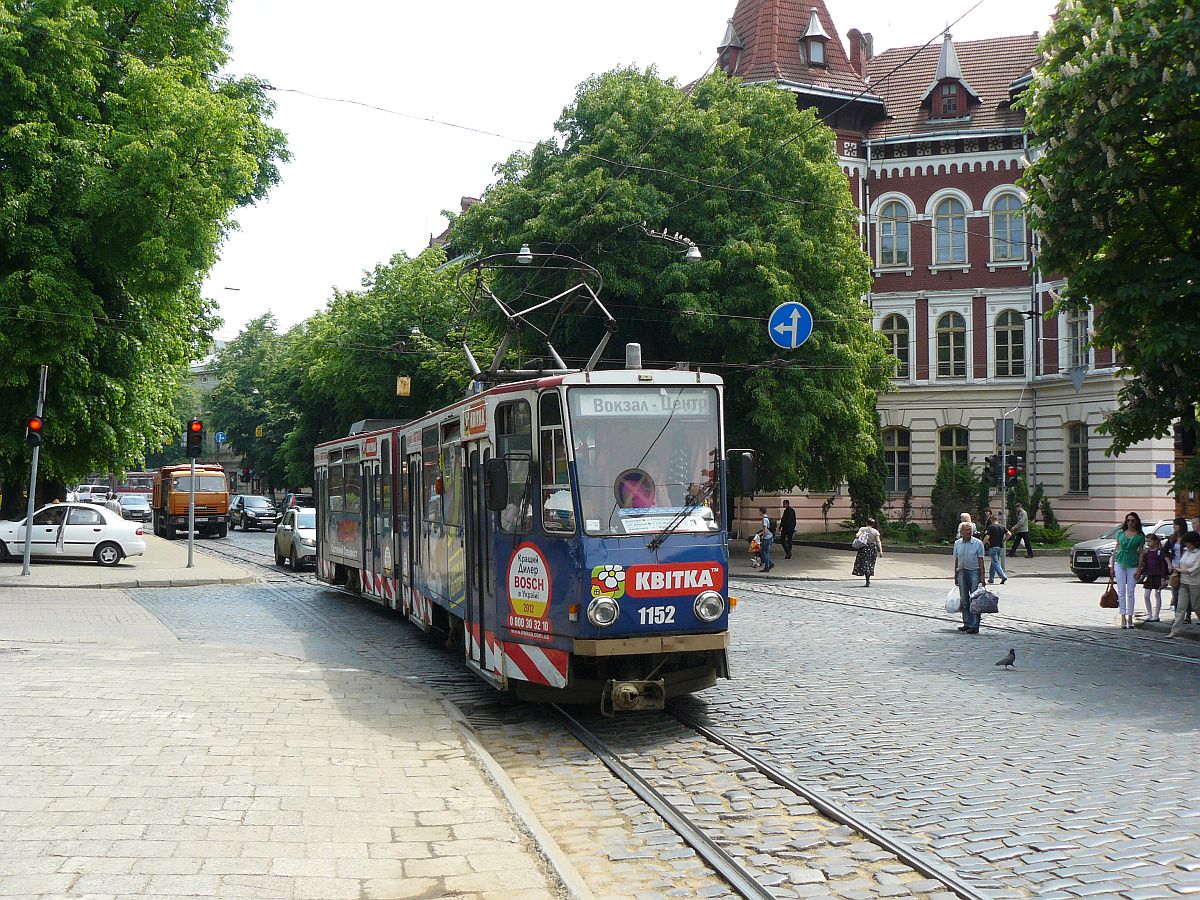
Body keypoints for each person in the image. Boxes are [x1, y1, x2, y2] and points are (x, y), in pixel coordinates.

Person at [1112, 511, 1146, 629]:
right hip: (1120, 561)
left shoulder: (1140, 536)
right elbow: (1116, 549)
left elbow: (1141, 552)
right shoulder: (1121, 533)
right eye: (1128, 520)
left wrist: (1139, 568)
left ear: (1136, 522)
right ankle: (1123, 616)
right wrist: (1112, 564)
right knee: (1121, 591)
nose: (1130, 522)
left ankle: (1130, 617)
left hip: (1133, 563)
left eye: (1132, 520)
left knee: (1130, 591)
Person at [952, 521, 987, 634]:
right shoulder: (957, 543)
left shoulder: (978, 543)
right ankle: (966, 622)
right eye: (966, 530)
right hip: (962, 571)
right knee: (964, 600)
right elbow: (957, 560)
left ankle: (974, 625)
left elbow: (981, 561)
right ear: (961, 532)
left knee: (974, 599)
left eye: (970, 530)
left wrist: (982, 577)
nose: (968, 532)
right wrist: (955, 575)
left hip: (974, 572)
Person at [1170, 531, 1200, 638]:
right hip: (1183, 582)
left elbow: (1195, 569)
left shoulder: (1198, 553)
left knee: (1196, 607)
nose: (1186, 544)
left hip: (1195, 583)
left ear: (1193, 542)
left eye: (1187, 542)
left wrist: (1181, 570)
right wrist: (1179, 569)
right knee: (1180, 607)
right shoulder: (1185, 551)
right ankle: (1175, 631)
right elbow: (1181, 563)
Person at [1137, 532, 1169, 623]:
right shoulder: (1147, 552)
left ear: (1155, 541)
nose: (1148, 543)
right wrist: (1142, 573)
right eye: (1147, 541)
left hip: (1158, 576)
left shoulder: (1159, 551)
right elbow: (1145, 564)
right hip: (1150, 575)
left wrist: (1163, 577)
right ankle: (1150, 614)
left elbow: (1163, 565)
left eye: (1149, 541)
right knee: (1146, 595)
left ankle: (1156, 615)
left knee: (1157, 595)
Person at [1164, 516, 1188, 618]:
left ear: (1181, 526)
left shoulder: (1187, 537)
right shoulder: (1172, 538)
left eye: (1175, 525)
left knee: (1186, 591)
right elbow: (1164, 551)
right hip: (1174, 568)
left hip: (1185, 567)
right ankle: (1177, 615)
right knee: (1175, 592)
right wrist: (1169, 563)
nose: (1173, 526)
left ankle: (1188, 615)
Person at [851, 518, 883, 587]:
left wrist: (859, 535)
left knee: (864, 563)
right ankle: (868, 578)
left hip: (864, 548)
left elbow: (857, 535)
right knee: (869, 564)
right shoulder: (875, 531)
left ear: (866, 523)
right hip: (872, 549)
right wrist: (880, 551)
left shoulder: (862, 529)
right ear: (873, 524)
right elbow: (878, 541)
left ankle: (867, 579)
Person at [984, 515, 1010, 585]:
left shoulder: (991, 527)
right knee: (993, 563)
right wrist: (1004, 540)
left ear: (991, 520)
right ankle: (991, 579)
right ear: (998, 520)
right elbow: (1009, 534)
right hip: (1000, 547)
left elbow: (987, 537)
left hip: (993, 547)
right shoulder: (1002, 527)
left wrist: (982, 544)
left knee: (995, 562)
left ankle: (1003, 576)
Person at [758, 506, 774, 572]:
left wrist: (762, 536)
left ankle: (767, 567)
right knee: (762, 551)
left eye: (759, 511)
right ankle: (770, 563)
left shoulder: (764, 519)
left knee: (765, 552)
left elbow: (765, 529)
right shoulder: (766, 518)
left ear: (761, 511)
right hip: (769, 537)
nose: (759, 512)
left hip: (767, 537)